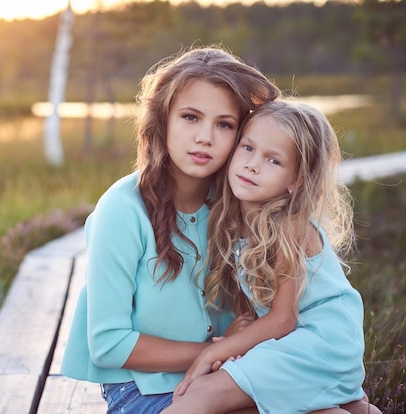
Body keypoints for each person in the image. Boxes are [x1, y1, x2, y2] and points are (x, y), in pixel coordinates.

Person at [60, 45, 280, 414]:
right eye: (191, 117)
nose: (205, 137)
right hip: (143, 392)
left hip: (230, 376)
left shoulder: (241, 204)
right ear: (162, 120)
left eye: (224, 124)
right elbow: (108, 344)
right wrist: (217, 350)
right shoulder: (122, 209)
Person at [162, 100, 381, 414]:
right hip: (308, 345)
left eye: (274, 161)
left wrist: (213, 353)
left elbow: (282, 318)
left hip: (319, 344)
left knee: (201, 394)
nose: (253, 165)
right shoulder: (241, 222)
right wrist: (241, 339)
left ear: (297, 180)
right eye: (247, 148)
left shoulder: (290, 226)